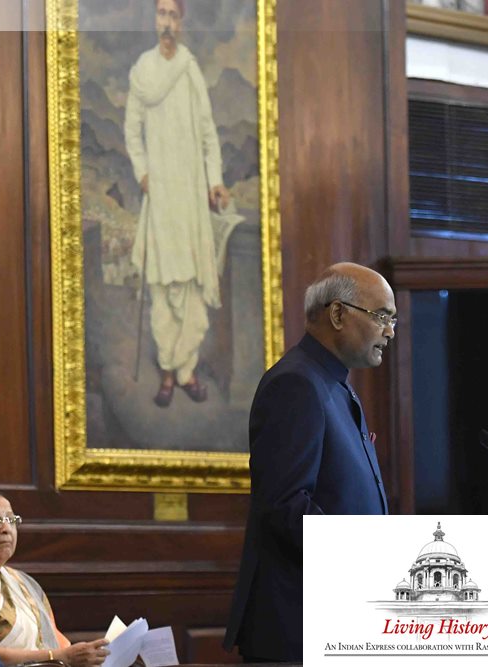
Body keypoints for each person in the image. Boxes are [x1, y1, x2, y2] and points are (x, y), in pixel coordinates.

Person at [223, 262, 394, 662]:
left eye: (393, 320)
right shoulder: (296, 383)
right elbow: (285, 505)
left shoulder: (334, 385)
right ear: (338, 314)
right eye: (382, 316)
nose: (389, 331)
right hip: (299, 629)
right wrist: (367, 558)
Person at [125, 0, 231, 406]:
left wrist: (215, 181)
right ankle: (168, 371)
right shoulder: (143, 72)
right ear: (154, 20)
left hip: (188, 195)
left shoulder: (189, 68)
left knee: (189, 287)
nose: (166, 23)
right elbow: (132, 130)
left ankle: (185, 372)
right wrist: (142, 172)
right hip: (161, 195)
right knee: (163, 285)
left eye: (172, 16)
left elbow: (207, 132)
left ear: (181, 22)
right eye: (161, 15)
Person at [0, 491, 109, 667]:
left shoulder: (23, 582)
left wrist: (85, 656)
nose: (6, 528)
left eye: (12, 520)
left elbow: (59, 644)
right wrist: (57, 656)